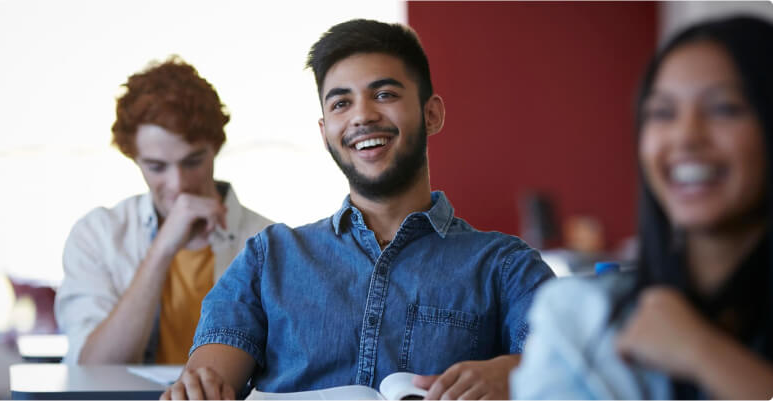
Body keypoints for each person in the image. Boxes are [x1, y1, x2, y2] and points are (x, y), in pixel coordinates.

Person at [161, 19, 554, 400]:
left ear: (431, 114)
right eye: (341, 103)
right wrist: (197, 390)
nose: (362, 116)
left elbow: (577, 364)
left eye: (385, 94)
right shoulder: (268, 258)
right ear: (325, 130)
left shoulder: (505, 265)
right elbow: (208, 382)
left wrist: (515, 374)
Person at [511, 15, 773, 399]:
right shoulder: (579, 322)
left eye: (724, 108)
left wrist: (701, 352)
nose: (685, 136)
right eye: (663, 113)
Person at [55, 56, 273, 364]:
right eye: (157, 167)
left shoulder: (267, 242)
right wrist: (162, 249)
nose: (178, 184)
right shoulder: (97, 235)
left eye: (193, 161)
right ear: (134, 158)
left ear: (216, 147)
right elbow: (95, 370)